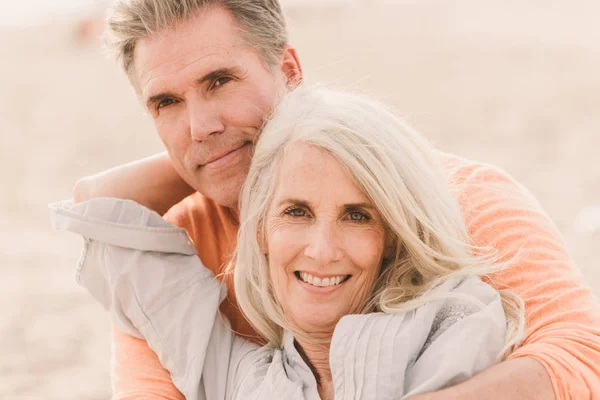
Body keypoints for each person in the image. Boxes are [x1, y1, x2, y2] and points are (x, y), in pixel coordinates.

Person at [73, 0, 600, 399]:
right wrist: (216, 154)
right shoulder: (174, 245)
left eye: (220, 81)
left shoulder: (458, 195)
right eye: (167, 102)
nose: (200, 124)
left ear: (291, 73)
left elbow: (582, 357)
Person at [54, 86, 525, 400]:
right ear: (259, 231)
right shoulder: (237, 372)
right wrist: (216, 150)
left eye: (357, 216)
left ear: (391, 238)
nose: (322, 250)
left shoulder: (454, 321)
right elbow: (98, 206)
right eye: (296, 211)